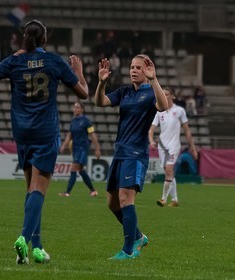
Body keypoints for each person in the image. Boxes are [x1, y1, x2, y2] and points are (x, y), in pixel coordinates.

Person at [0, 19, 89, 265]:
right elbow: (84, 93)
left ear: (24, 38)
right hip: (45, 132)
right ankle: (24, 238)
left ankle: (37, 249)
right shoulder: (54, 61)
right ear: (44, 39)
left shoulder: (14, 61)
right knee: (40, 188)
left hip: (22, 133)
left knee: (30, 189)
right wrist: (79, 72)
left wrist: (12, 58)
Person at [95, 54, 168, 260]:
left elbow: (163, 107)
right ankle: (139, 237)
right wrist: (101, 83)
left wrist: (154, 80)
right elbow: (100, 102)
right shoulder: (125, 92)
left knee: (126, 200)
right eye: (132, 67)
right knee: (112, 203)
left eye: (138, 67)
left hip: (136, 153)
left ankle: (128, 250)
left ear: (147, 70)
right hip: (120, 152)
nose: (134, 70)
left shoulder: (151, 92)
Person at [148, 87, 198, 208]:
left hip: (174, 146)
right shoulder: (159, 112)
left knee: (169, 170)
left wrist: (193, 148)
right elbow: (151, 130)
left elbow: (187, 130)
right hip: (162, 146)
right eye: (163, 94)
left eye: (167, 94)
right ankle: (175, 200)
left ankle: (163, 199)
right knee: (168, 173)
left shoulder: (179, 111)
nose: (165, 96)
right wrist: (151, 141)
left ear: (173, 97)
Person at [58, 101, 101, 197]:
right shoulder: (73, 121)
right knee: (81, 170)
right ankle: (93, 191)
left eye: (77, 107)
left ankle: (67, 192)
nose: (75, 109)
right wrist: (64, 145)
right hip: (75, 148)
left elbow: (92, 134)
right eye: (74, 107)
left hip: (83, 148)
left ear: (82, 109)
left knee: (74, 167)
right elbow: (70, 135)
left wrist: (97, 148)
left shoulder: (86, 121)